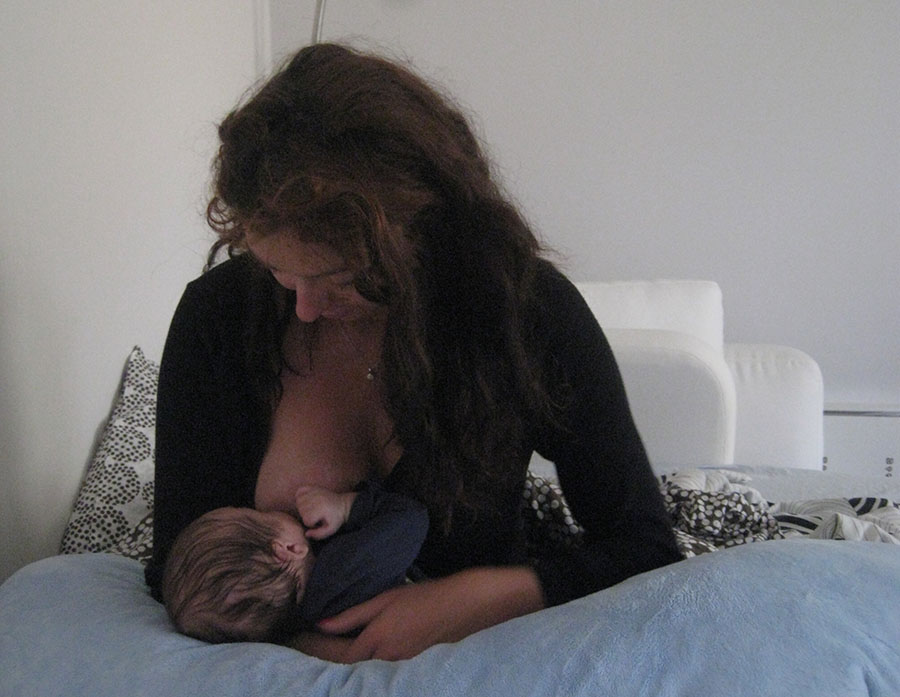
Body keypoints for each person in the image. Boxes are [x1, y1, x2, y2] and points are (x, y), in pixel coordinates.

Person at [146, 42, 683, 662]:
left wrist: (483, 597)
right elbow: (176, 570)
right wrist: (326, 655)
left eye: (341, 278)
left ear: (423, 234)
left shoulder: (525, 314)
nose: (306, 309)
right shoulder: (218, 316)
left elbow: (644, 549)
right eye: (279, 273)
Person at [161, 481, 428, 644]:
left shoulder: (310, 623)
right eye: (256, 515)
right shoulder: (342, 569)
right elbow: (411, 519)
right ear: (288, 549)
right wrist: (346, 507)